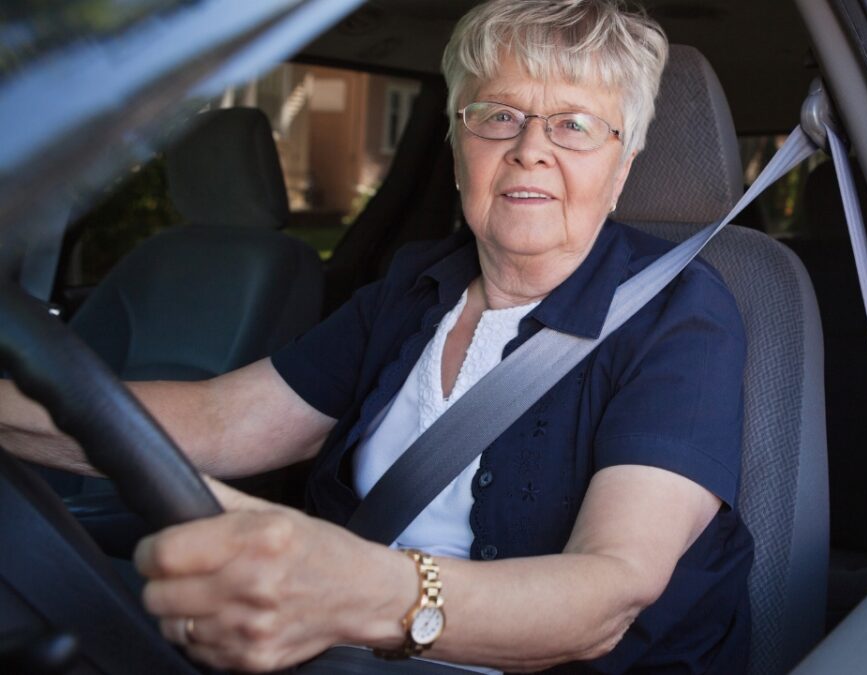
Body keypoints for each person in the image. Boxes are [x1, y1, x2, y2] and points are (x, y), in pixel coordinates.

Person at [0, 0, 752, 671]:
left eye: (575, 125)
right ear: (459, 148)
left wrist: (359, 593)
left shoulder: (682, 314)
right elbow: (222, 420)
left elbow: (608, 591)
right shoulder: (412, 284)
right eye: (496, 114)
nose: (529, 147)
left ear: (622, 166)